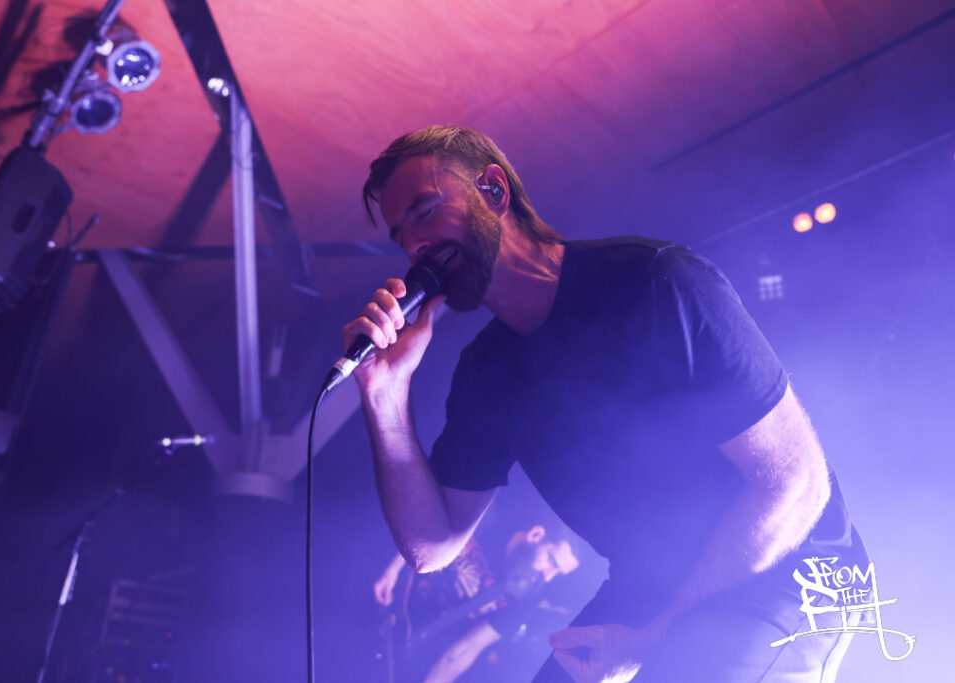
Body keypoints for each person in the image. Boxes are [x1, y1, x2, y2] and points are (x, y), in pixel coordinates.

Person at [344, 125, 867, 682]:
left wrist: (656, 638)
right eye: (401, 236)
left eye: (425, 211)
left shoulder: (657, 282)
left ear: (493, 190)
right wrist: (384, 394)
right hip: (651, 589)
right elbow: (432, 548)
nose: (414, 245)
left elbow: (795, 481)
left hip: (789, 567)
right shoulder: (486, 373)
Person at [373, 523, 581, 682]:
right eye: (551, 561)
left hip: (415, 638)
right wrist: (392, 570)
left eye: (557, 573)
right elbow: (428, 532)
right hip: (390, 597)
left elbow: (468, 647)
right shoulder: (489, 521)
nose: (548, 576)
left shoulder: (527, 599)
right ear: (536, 535)